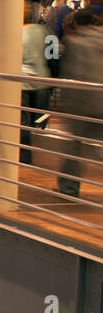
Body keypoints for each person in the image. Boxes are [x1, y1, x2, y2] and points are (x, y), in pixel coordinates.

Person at [57, 10, 103, 198]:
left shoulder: (74, 42)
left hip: (82, 103)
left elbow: (72, 73)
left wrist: (65, 99)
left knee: (74, 147)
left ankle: (69, 188)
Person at [21, 2, 53, 165]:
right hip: (43, 79)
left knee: (23, 121)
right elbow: (54, 53)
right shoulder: (45, 31)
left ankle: (25, 158)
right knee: (39, 120)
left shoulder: (16, 33)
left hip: (22, 82)